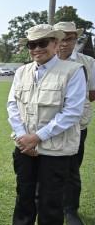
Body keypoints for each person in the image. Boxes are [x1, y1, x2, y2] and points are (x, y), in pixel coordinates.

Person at [7, 24, 86, 225]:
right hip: (25, 147)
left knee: (51, 204)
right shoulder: (22, 71)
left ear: (55, 43)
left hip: (55, 150)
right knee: (23, 198)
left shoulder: (73, 71)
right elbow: (12, 106)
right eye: (31, 44)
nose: (36, 49)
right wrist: (23, 137)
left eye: (42, 43)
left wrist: (36, 138)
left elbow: (72, 113)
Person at [54, 21, 95, 225]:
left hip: (77, 125)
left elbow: (92, 93)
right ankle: (48, 204)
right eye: (60, 39)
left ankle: (70, 210)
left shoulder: (88, 62)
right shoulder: (47, 61)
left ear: (75, 40)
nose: (64, 44)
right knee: (46, 167)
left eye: (69, 39)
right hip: (48, 123)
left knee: (72, 169)